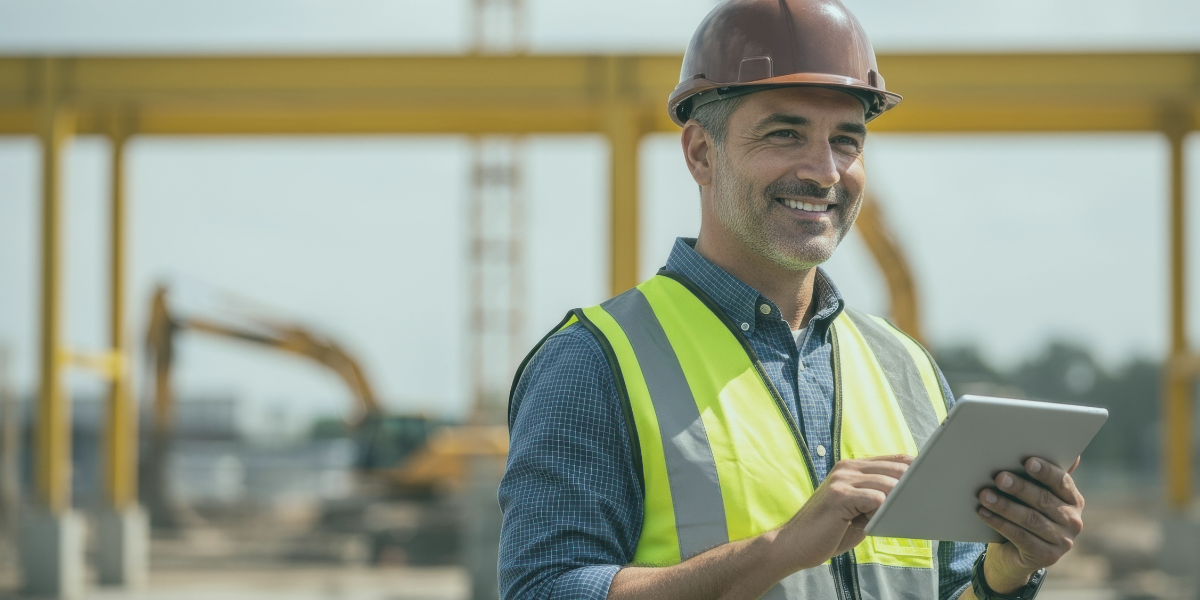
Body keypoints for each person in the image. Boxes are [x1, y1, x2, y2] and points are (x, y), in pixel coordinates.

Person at [499, 1, 1085, 598]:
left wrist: (1006, 574)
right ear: (701, 153)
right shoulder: (594, 363)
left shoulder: (907, 369)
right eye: (786, 134)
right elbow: (546, 589)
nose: (825, 171)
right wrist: (780, 549)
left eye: (847, 140)